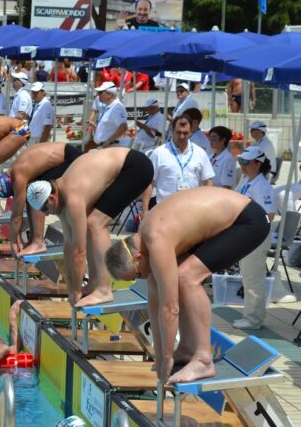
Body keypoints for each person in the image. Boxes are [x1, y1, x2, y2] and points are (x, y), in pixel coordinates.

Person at [104, 187, 270, 383]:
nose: (142, 277)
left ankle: (203, 359)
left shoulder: (156, 239)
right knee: (176, 278)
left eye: (138, 275)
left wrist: (166, 358)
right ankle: (186, 348)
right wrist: (161, 354)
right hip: (228, 221)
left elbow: (170, 309)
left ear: (137, 257)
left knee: (186, 277)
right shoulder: (144, 241)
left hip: (249, 220)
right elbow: (155, 301)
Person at [26, 148, 153, 307]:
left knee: (96, 224)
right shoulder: (59, 195)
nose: (46, 214)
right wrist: (71, 287)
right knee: (90, 224)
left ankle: (104, 289)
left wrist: (75, 291)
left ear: (51, 198)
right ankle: (95, 283)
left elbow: (80, 252)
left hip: (135, 167)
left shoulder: (72, 199)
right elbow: (68, 246)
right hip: (125, 165)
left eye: (44, 210)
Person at [0, 143, 82, 256]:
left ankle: (38, 242)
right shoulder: (14, 169)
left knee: (35, 193)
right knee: (31, 191)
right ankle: (34, 240)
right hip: (68, 155)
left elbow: (16, 216)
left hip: (72, 159)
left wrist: (13, 241)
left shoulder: (18, 176)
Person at [233, 146, 276, 330]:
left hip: (255, 238)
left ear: (258, 164)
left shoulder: (262, 186)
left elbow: (270, 214)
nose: (242, 165)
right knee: (248, 278)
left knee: (253, 279)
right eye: (240, 161)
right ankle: (250, 316)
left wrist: (251, 228)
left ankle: (253, 319)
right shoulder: (246, 180)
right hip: (246, 237)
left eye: (246, 162)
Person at [142, 114, 214, 210]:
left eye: (185, 133)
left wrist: (205, 206)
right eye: (178, 132)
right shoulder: (159, 153)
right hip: (164, 209)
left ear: (191, 132)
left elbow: (208, 182)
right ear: (172, 130)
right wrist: (145, 210)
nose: (182, 136)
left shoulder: (200, 153)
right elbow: (149, 183)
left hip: (192, 209)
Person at [93, 82, 128, 149]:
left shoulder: (116, 107)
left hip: (110, 147)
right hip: (108, 147)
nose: (98, 95)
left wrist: (108, 142)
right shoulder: (111, 107)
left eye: (100, 93)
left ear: (109, 94)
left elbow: (123, 127)